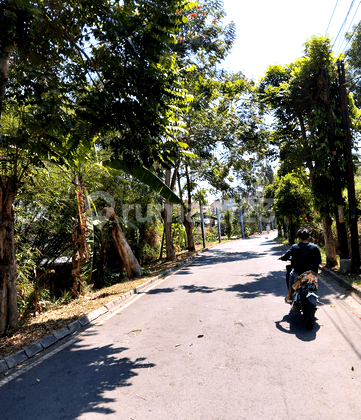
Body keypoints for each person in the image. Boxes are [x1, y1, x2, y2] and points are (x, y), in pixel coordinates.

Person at [279, 228, 321, 303]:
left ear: (298, 237)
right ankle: (315, 295)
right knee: (314, 281)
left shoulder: (294, 247)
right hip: (312, 273)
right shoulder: (315, 247)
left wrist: (282, 258)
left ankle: (289, 295)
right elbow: (319, 260)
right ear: (309, 237)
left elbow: (286, 256)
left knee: (291, 275)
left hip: (298, 273)